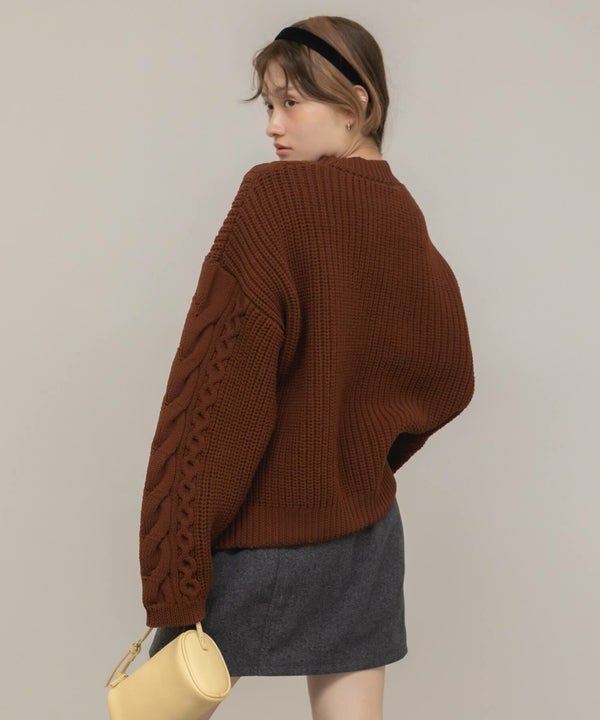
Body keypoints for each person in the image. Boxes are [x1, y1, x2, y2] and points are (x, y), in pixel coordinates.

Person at [138, 15, 475, 720]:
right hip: (366, 536)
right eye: (268, 104)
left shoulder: (274, 198)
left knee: (158, 711)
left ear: (359, 103)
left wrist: (177, 571)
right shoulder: (403, 213)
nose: (273, 126)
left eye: (292, 102)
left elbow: (213, 403)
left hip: (258, 535)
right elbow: (449, 376)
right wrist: (360, 455)